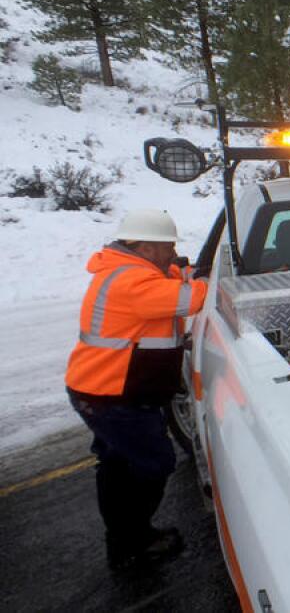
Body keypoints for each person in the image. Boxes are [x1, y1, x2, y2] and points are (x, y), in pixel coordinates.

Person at [64, 208, 207, 570]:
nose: (172, 253)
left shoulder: (130, 271)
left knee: (117, 464)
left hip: (103, 390)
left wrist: (185, 271)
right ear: (144, 247)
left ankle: (123, 539)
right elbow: (192, 298)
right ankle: (136, 541)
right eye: (166, 246)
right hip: (113, 396)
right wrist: (208, 278)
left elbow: (173, 277)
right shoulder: (132, 283)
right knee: (153, 464)